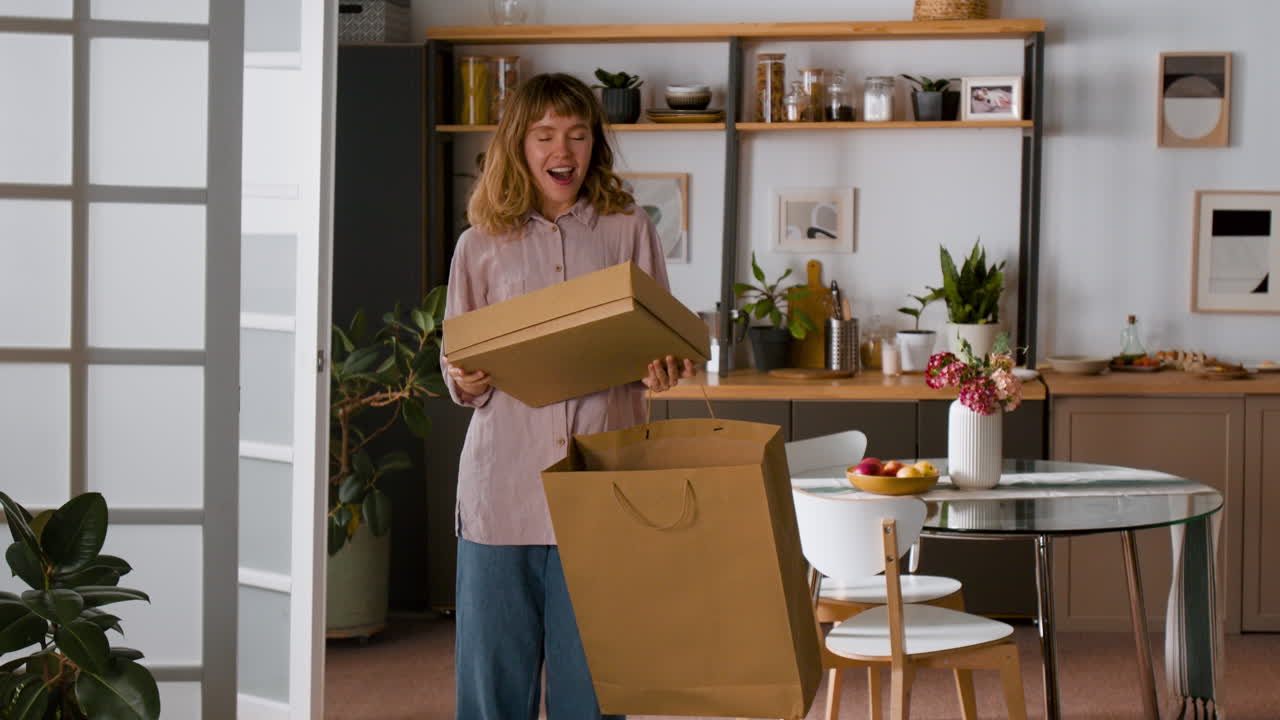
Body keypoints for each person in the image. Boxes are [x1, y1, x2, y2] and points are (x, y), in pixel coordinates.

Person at [441, 73, 698, 720]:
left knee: (596, 692)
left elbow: (657, 348)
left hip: (602, 492)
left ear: (594, 145)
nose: (564, 150)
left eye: (578, 135)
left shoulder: (628, 231)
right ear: (518, 146)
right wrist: (465, 378)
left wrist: (662, 370)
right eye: (546, 135)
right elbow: (458, 365)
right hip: (502, 494)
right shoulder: (478, 245)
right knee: (493, 696)